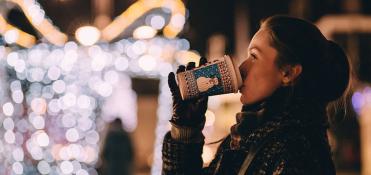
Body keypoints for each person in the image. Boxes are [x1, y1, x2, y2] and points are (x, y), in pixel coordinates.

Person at [162, 15, 350, 174]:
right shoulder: (245, 136)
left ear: (288, 73)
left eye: (254, 56)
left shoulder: (296, 151)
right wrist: (186, 130)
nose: (242, 68)